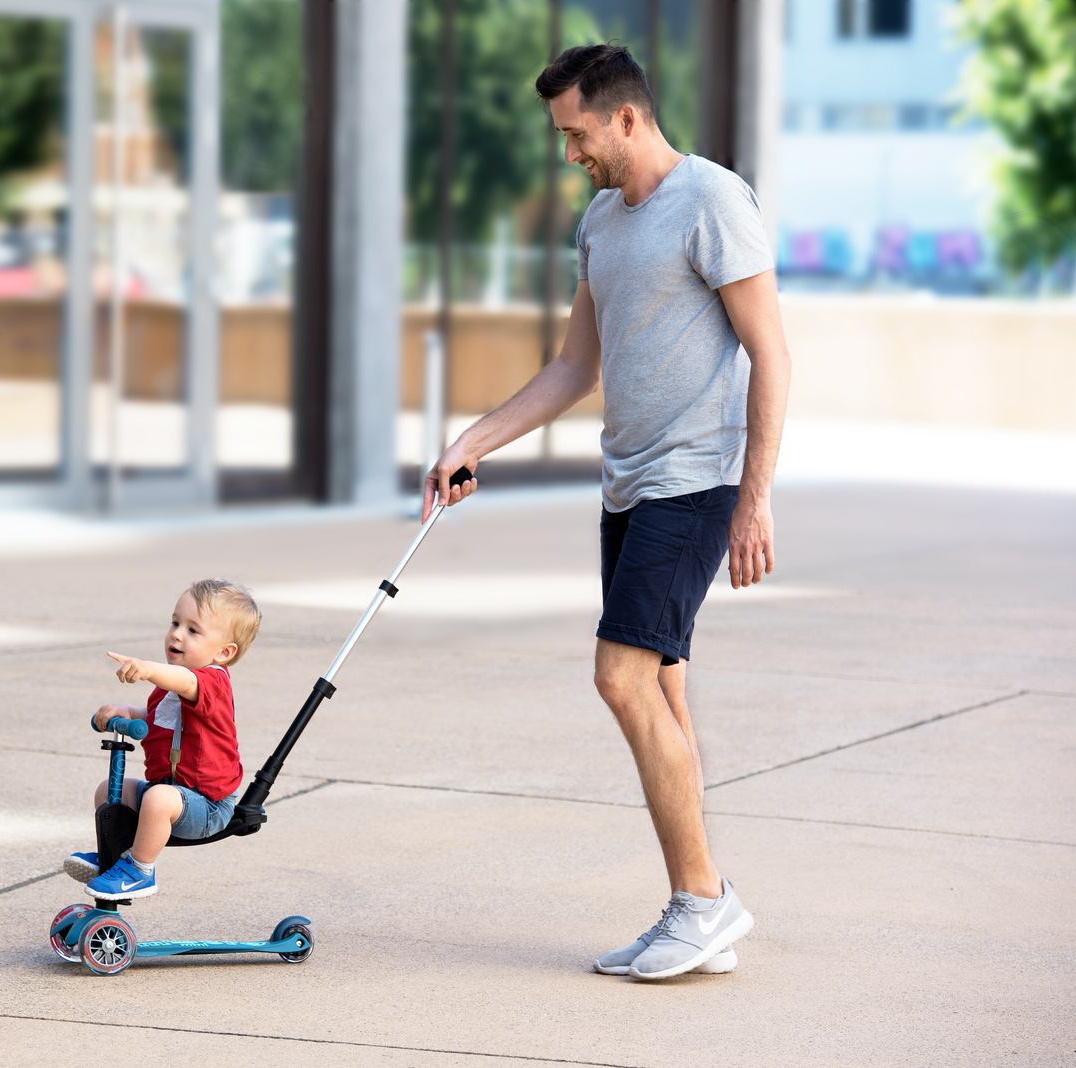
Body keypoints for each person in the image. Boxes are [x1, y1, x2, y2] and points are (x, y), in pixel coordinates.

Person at [424, 44, 791, 980]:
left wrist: (753, 502)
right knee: (660, 688)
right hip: (627, 484)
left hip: (694, 483)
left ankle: (703, 903)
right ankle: (695, 909)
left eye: (577, 133)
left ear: (626, 116)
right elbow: (572, 368)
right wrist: (474, 439)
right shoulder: (600, 220)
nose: (568, 154)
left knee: (620, 679)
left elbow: (773, 355)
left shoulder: (711, 202)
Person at [63, 579, 260, 900]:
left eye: (193, 630)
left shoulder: (212, 682)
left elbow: (185, 680)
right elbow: (158, 718)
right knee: (110, 791)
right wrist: (127, 710)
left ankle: (139, 871)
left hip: (207, 806)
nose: (177, 634)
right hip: (171, 794)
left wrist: (148, 668)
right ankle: (114, 859)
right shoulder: (168, 688)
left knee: (158, 799)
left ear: (223, 652)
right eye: (175, 622)